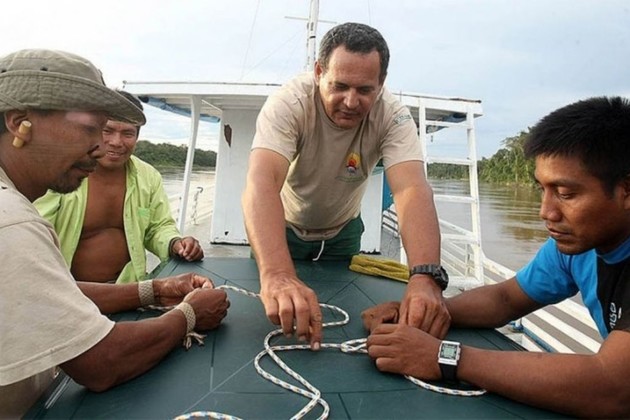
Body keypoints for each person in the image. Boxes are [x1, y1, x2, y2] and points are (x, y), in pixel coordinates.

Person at [365, 96, 630, 417]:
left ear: (626, 191)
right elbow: (505, 299)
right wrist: (425, 310)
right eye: (542, 190)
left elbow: (614, 386)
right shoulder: (578, 248)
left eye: (565, 194)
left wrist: (444, 357)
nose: (546, 212)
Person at [0, 49, 230, 418]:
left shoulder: (14, 211)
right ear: (19, 123)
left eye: (123, 132)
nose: (102, 146)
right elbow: (101, 363)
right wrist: (190, 314)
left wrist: (155, 289)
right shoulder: (14, 224)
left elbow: (46, 288)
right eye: (92, 128)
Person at [241, 21, 448, 351]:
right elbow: (262, 182)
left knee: (342, 307)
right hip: (284, 229)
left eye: (365, 90)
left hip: (343, 232)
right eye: (339, 86)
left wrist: (424, 277)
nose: (351, 102)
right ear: (319, 72)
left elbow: (411, 189)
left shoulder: (392, 116)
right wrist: (277, 274)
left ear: (381, 84)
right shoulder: (289, 103)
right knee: (276, 310)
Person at [34, 90, 203, 284]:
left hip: (129, 289)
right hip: (69, 290)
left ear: (137, 137)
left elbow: (158, 227)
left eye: (127, 133)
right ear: (93, 129)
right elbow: (36, 234)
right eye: (108, 131)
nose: (116, 142)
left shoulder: (148, 177)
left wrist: (176, 243)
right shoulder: (62, 174)